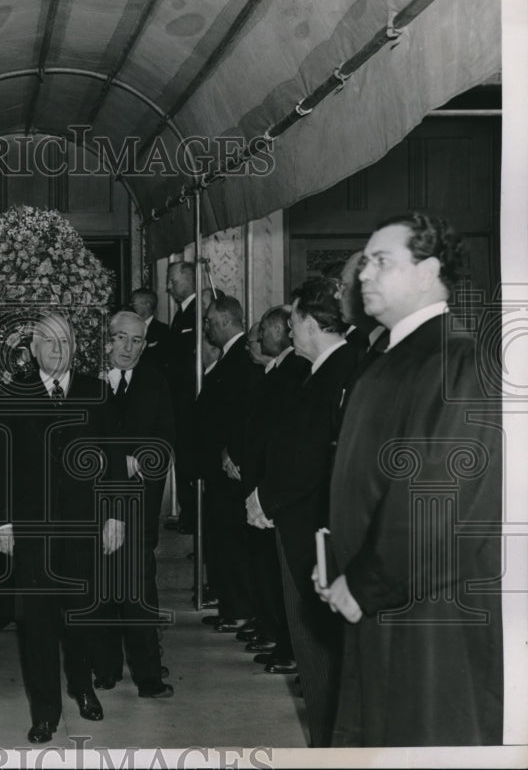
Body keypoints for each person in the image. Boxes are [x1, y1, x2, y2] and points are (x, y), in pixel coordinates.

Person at [319, 213, 503, 746]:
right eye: (365, 263)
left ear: (428, 273)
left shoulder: (459, 361)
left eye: (382, 262)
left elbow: (440, 502)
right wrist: (340, 566)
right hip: (381, 599)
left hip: (428, 613)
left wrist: (363, 582)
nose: (364, 276)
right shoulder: (390, 357)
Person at [0, 311, 108, 743]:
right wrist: (1, 520)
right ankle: (45, 712)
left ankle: (82, 686)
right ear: (33, 348)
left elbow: (109, 457)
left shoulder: (97, 391)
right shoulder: (13, 392)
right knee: (36, 621)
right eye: (49, 343)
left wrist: (113, 516)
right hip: (31, 528)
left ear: (75, 347)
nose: (57, 351)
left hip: (82, 526)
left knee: (80, 616)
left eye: (65, 343)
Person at [254, 280, 360, 746]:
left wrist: (266, 499)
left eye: (294, 319)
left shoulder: (340, 372)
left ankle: (327, 748)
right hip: (301, 524)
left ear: (313, 324)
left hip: (312, 533)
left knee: (317, 649)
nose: (289, 328)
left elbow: (313, 458)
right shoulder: (323, 370)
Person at [92, 311, 175, 699]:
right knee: (101, 585)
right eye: (121, 338)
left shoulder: (157, 381)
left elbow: (165, 439)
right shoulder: (86, 382)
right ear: (106, 339)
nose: (128, 348)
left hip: (138, 501)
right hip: (94, 501)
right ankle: (105, 668)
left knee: (139, 587)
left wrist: (141, 458)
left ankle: (148, 676)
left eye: (137, 341)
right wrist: (110, 461)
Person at [238, 306, 308, 674]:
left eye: (266, 329)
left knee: (281, 574)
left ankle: (289, 645)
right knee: (267, 570)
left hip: (277, 489)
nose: (261, 335)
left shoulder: (295, 371)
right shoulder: (278, 370)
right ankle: (281, 639)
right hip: (263, 485)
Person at [196, 294, 263, 632]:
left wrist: (230, 452)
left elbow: (246, 414)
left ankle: (239, 608)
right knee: (223, 539)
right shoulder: (229, 357)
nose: (206, 325)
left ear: (224, 319)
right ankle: (231, 605)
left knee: (232, 540)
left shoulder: (241, 359)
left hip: (230, 469)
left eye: (209, 320)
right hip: (218, 467)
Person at [164, 262, 200, 535]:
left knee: (190, 461)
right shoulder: (181, 313)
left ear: (187, 279)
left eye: (172, 281)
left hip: (191, 401)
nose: (168, 287)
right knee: (184, 461)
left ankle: (194, 519)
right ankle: (189, 516)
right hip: (179, 401)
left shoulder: (198, 312)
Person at [130, 287, 171, 375]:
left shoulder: (163, 331)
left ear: (147, 305)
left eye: (134, 304)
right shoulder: (129, 329)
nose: (131, 308)